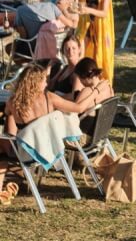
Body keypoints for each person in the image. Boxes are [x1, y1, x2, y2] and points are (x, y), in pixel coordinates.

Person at [0, 65, 106, 193]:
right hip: (48, 147)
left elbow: (7, 113)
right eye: (44, 80)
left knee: (2, 144)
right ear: (36, 82)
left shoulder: (13, 102)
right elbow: (79, 108)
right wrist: (96, 91)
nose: (46, 83)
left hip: (26, 151)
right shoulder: (49, 98)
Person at [76, 0, 116, 84]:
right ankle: (85, 83)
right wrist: (75, 8)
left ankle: (104, 85)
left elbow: (104, 13)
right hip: (86, 26)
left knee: (102, 57)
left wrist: (87, 10)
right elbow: (76, 5)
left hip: (102, 28)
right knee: (86, 57)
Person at [72, 57, 115, 135]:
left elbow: (73, 111)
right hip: (100, 134)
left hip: (83, 136)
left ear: (83, 77)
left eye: (79, 79)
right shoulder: (108, 88)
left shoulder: (88, 91)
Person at [48, 32, 84, 98]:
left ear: (79, 50)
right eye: (67, 48)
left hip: (62, 105)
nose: (70, 52)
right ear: (63, 51)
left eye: (73, 48)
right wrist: (49, 67)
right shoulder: (64, 68)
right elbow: (50, 86)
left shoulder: (78, 72)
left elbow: (75, 96)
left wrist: (56, 97)